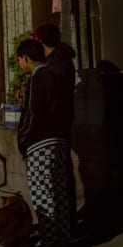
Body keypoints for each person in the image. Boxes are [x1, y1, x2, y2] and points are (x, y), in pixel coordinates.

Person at [16, 38, 71, 247]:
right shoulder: (56, 75)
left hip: (40, 143)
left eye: (20, 59)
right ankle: (62, 238)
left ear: (26, 59)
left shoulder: (37, 78)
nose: (21, 63)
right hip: (59, 141)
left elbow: (34, 113)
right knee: (58, 192)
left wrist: (23, 139)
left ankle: (48, 243)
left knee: (42, 194)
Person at [34, 23, 78, 231]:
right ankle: (66, 222)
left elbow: (53, 97)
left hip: (56, 125)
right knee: (60, 174)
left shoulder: (56, 65)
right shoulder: (59, 61)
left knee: (57, 176)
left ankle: (62, 226)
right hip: (61, 122)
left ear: (42, 42)